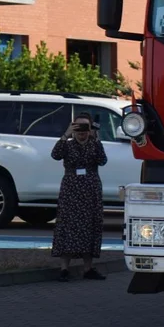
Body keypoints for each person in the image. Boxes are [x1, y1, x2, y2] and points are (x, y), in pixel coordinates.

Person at [51, 112, 108, 282]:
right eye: (79, 127)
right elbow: (55, 155)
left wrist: (95, 137)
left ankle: (88, 268)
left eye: (86, 127)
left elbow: (102, 160)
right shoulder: (67, 145)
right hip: (71, 188)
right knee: (68, 225)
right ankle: (64, 269)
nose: (82, 131)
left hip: (90, 188)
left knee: (89, 226)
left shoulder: (95, 144)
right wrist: (66, 135)